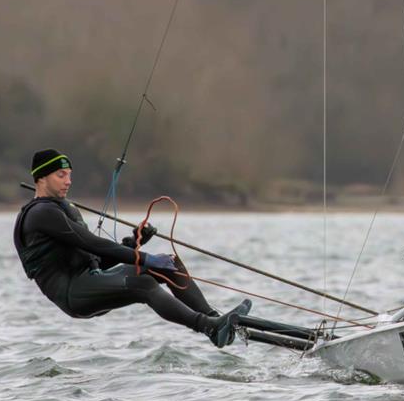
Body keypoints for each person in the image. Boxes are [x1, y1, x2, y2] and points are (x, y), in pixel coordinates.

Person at [13, 148, 249, 347]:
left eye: (70, 175)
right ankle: (208, 327)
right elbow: (91, 243)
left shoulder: (64, 208)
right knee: (142, 282)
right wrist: (142, 257)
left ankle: (215, 321)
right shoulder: (41, 213)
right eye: (61, 175)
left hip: (89, 279)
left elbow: (94, 259)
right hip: (73, 294)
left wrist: (134, 242)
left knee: (169, 263)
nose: (68, 181)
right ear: (41, 178)